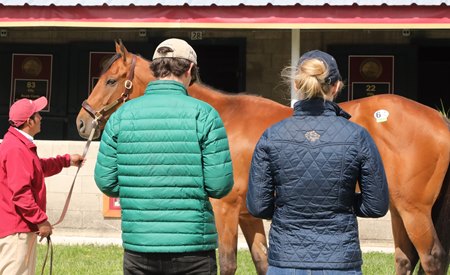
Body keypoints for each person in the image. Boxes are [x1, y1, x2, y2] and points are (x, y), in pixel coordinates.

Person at [94, 38, 234, 275]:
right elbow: (219, 185)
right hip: (193, 247)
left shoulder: (120, 116)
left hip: (140, 246)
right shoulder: (205, 115)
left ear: (156, 70)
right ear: (190, 70)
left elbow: (106, 182)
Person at [246, 50, 389, 274]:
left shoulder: (271, 135)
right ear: (336, 86)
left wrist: (290, 205)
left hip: (286, 260)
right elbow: (376, 206)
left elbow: (258, 206)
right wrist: (341, 201)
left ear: (296, 84)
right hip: (340, 261)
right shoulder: (357, 136)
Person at [0, 96, 84, 275]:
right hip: (17, 231)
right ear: (29, 121)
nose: (41, 117)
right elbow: (21, 194)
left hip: (19, 228)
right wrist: (41, 220)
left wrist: (67, 160)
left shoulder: (18, 144)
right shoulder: (16, 149)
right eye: (37, 114)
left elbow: (38, 168)